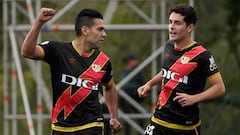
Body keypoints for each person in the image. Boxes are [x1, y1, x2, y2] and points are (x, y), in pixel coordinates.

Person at [21, 7, 121, 135]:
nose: (104, 34)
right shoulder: (57, 50)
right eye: (100, 29)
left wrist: (114, 116)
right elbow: (27, 52)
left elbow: (110, 87)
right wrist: (39, 22)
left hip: (92, 126)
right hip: (60, 128)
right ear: (85, 30)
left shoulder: (103, 61)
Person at [137, 4, 225, 135]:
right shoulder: (168, 45)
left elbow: (219, 88)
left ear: (190, 27)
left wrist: (194, 98)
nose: (172, 26)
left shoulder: (202, 55)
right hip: (159, 120)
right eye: (170, 22)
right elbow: (168, 71)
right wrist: (149, 84)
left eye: (177, 23)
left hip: (186, 127)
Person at [119, 54, 145, 135]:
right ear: (129, 62)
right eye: (134, 60)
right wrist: (135, 87)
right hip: (127, 98)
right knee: (127, 118)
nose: (136, 62)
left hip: (136, 97)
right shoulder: (125, 72)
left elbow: (142, 83)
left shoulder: (138, 72)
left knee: (141, 116)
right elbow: (125, 85)